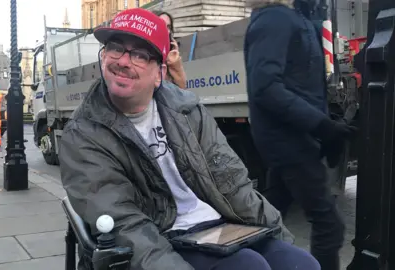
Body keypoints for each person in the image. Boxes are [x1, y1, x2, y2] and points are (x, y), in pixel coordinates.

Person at [60, 7, 320, 270]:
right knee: (249, 266)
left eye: (139, 54)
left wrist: (278, 235)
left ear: (159, 74)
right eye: (116, 48)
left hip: (217, 225)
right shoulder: (83, 134)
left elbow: (233, 183)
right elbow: (126, 224)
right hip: (162, 236)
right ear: (103, 56)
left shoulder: (187, 109)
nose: (124, 61)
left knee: (302, 264)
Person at [243, 0, 357, 269]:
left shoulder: (287, 18)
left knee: (269, 217)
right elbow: (265, 86)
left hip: (292, 137)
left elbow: (300, 85)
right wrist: (321, 125)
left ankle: (242, 260)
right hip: (290, 140)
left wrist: (326, 124)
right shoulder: (275, 20)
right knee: (329, 224)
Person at [152, 10, 187, 89]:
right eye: (162, 25)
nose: (166, 30)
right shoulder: (143, 51)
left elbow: (182, 88)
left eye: (168, 27)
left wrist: (175, 64)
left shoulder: (171, 58)